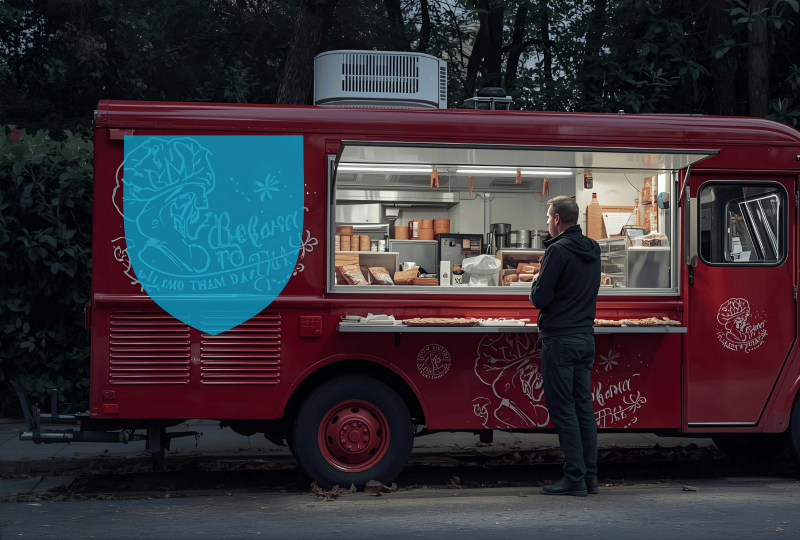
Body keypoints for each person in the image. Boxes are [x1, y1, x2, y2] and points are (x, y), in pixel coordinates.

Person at [530, 195, 601, 497]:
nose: (548, 221)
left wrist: (536, 281)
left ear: (557, 219)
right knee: (583, 408)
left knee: (564, 411)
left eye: (548, 217)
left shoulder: (557, 251)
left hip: (560, 340)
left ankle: (574, 478)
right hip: (585, 337)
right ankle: (590, 478)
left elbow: (541, 298)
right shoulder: (593, 249)